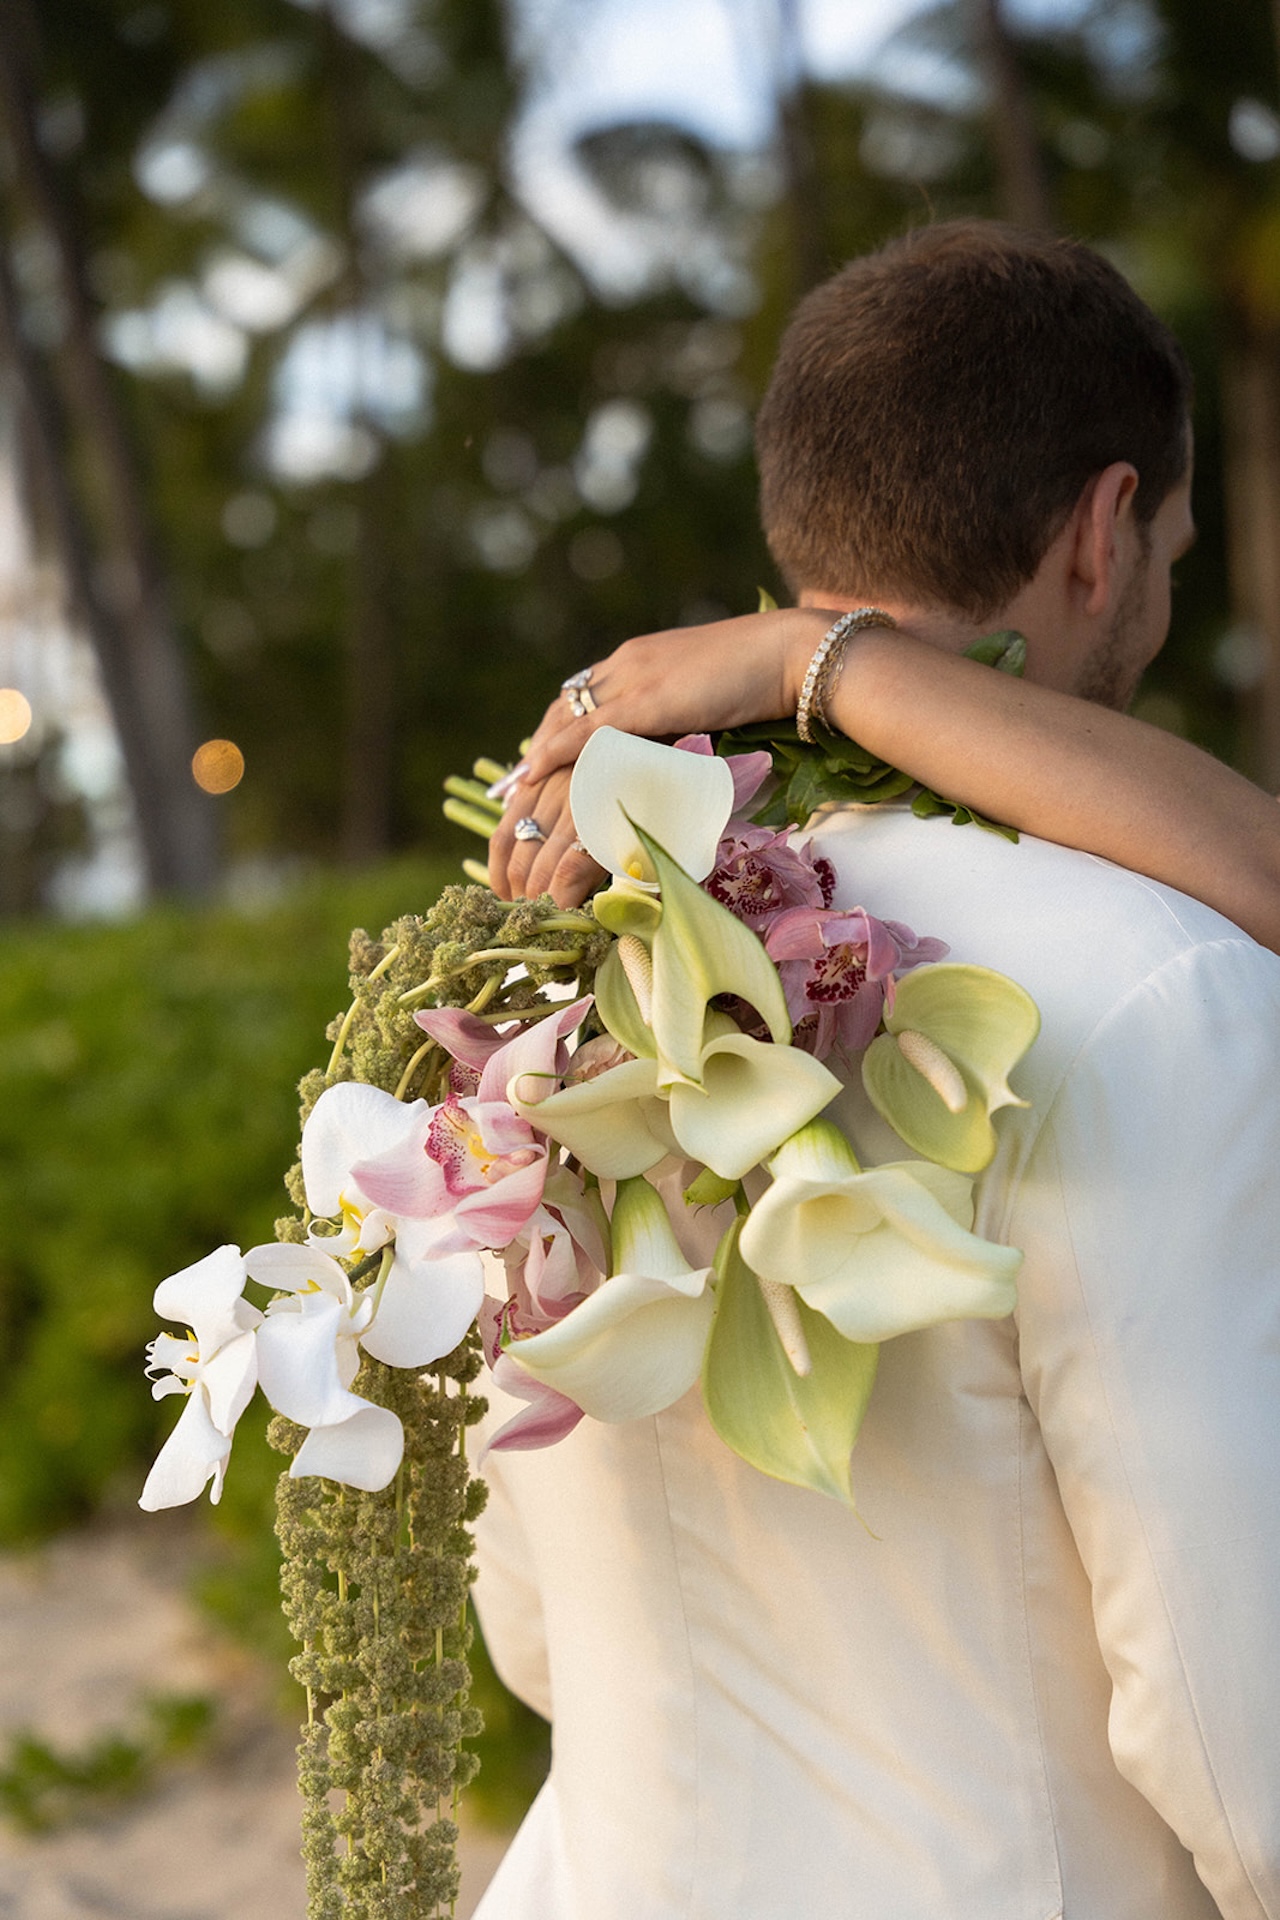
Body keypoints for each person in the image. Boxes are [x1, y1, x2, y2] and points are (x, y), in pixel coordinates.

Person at [471, 222, 1280, 1919]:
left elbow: (529, 1636)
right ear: (1104, 529)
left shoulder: (559, 985)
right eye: (1175, 554)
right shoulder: (1159, 995)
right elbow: (1249, 1749)